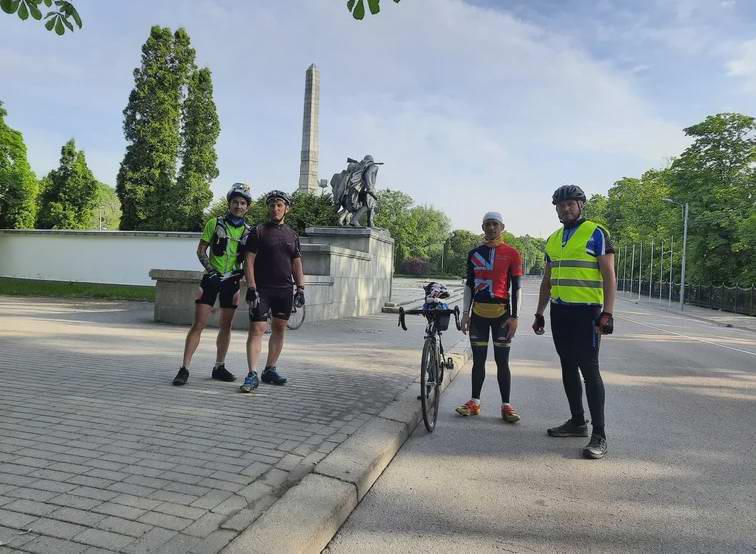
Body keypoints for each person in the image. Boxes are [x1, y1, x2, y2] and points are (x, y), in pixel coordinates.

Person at [532, 185, 616, 460]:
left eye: (571, 203)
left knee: (589, 371)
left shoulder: (596, 232)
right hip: (560, 312)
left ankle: (600, 435)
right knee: (567, 366)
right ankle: (577, 422)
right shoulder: (554, 239)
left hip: (587, 313)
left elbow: (609, 275)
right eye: (561, 205)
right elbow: (548, 280)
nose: (566, 208)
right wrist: (539, 312)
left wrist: (608, 312)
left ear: (581, 205)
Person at [172, 183, 252, 386]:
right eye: (235, 202)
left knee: (226, 326)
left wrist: (243, 272)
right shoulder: (214, 223)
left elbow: (250, 259)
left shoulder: (249, 232)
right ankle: (184, 368)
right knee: (198, 324)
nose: (239, 206)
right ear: (229, 203)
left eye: (243, 203)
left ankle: (219, 366)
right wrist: (211, 270)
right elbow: (201, 251)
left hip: (232, 282)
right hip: (211, 280)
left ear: (247, 207)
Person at [456, 211, 523, 423]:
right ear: (483, 227)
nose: (491, 228)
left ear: (502, 227)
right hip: (478, 315)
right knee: (479, 361)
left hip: (502, 315)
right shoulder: (474, 253)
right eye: (488, 224)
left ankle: (506, 406)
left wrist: (515, 316)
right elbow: (469, 285)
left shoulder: (512, 253)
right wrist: (465, 313)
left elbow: (517, 288)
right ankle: (474, 402)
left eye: (495, 224)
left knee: (503, 362)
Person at [239, 190, 305, 393]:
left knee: (279, 329)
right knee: (257, 330)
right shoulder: (258, 231)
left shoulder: (292, 235)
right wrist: (251, 287)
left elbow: (296, 262)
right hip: (262, 290)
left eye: (279, 205)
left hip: (285, 290)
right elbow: (248, 260)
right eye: (272, 205)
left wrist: (300, 288)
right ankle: (252, 374)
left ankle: (270, 369)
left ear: (286, 208)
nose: (275, 208)